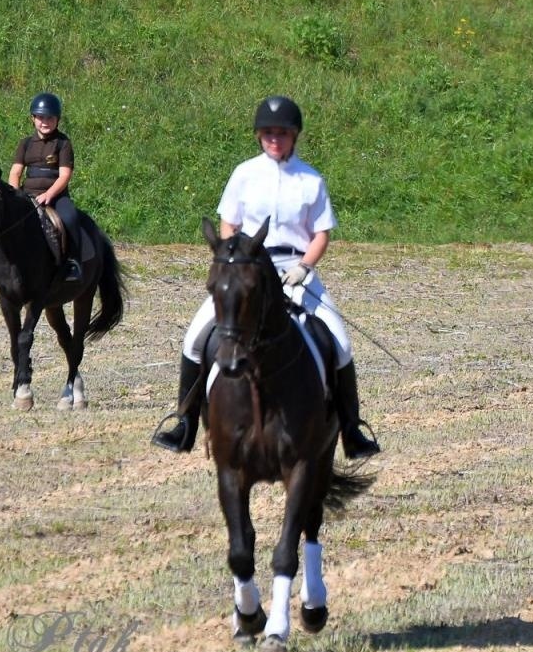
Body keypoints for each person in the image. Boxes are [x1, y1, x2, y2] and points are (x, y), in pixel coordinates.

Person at [152, 96, 380, 459]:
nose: (276, 138)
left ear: (294, 136)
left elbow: (321, 233)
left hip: (295, 269)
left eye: (283, 133)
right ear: (260, 136)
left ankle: (351, 430)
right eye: (269, 133)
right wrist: (232, 261)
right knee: (195, 338)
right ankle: (184, 423)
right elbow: (229, 222)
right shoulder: (245, 174)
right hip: (247, 270)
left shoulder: (311, 179)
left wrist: (305, 266)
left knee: (340, 341)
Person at [0, 92, 82, 283]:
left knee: (70, 218)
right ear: (33, 118)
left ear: (57, 120)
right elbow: (15, 172)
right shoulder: (26, 144)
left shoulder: (63, 143)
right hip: (27, 194)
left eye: (50, 118)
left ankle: (73, 262)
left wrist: (49, 194)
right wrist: (14, 193)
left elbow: (65, 175)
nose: (45, 122)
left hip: (55, 196)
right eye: (40, 117)